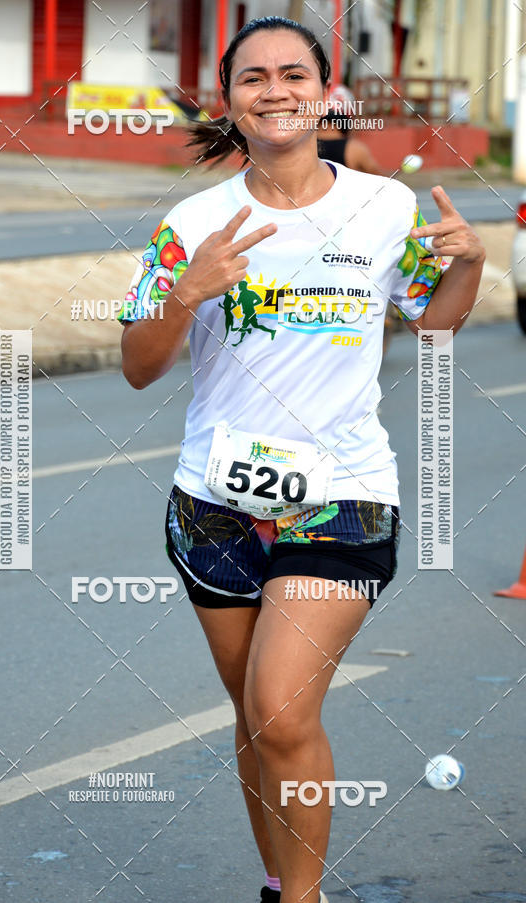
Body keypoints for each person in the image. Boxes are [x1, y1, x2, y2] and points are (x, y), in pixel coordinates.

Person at [119, 15, 485, 903]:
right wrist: (185, 289)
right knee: (255, 717)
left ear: (325, 93)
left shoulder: (383, 206)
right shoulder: (194, 222)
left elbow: (435, 323)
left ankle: (306, 899)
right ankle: (279, 882)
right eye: (254, 78)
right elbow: (138, 366)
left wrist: (469, 266)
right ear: (230, 100)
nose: (274, 90)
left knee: (281, 706)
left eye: (294, 74)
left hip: (343, 496)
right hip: (212, 503)